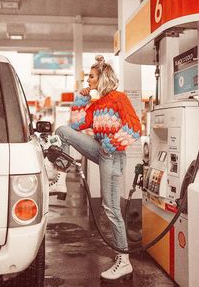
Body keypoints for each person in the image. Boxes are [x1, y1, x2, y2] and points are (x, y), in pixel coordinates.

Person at [55, 55, 141, 283]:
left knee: (110, 208)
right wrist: (80, 100)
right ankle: (60, 176)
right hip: (103, 152)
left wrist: (110, 145)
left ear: (102, 77)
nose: (88, 80)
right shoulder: (96, 104)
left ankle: (124, 261)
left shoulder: (118, 99)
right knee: (63, 131)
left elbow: (134, 127)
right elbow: (76, 126)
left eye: (91, 77)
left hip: (112, 155)